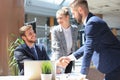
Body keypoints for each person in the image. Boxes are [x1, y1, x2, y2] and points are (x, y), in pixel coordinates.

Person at [57, 0, 120, 80]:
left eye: (73, 13)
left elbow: (88, 51)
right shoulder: (92, 22)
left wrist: (82, 75)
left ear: (80, 10)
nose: (73, 16)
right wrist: (70, 58)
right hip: (113, 66)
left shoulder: (92, 23)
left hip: (115, 66)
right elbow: (87, 45)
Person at [51, 7, 78, 73]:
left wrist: (71, 57)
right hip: (60, 59)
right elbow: (57, 48)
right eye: (57, 18)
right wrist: (59, 64)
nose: (58, 21)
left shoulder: (75, 29)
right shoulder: (55, 30)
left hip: (70, 59)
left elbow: (74, 44)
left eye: (60, 18)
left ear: (67, 17)